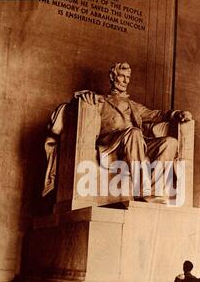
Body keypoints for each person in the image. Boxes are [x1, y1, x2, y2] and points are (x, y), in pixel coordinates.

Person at [75, 62, 192, 203]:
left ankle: (153, 192)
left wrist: (177, 114)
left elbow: (157, 115)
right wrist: (84, 95)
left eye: (128, 77)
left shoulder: (134, 106)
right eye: (121, 76)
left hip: (137, 142)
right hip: (113, 143)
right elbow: (75, 104)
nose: (125, 81)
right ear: (112, 77)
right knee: (134, 132)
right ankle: (142, 188)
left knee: (170, 143)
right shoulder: (101, 100)